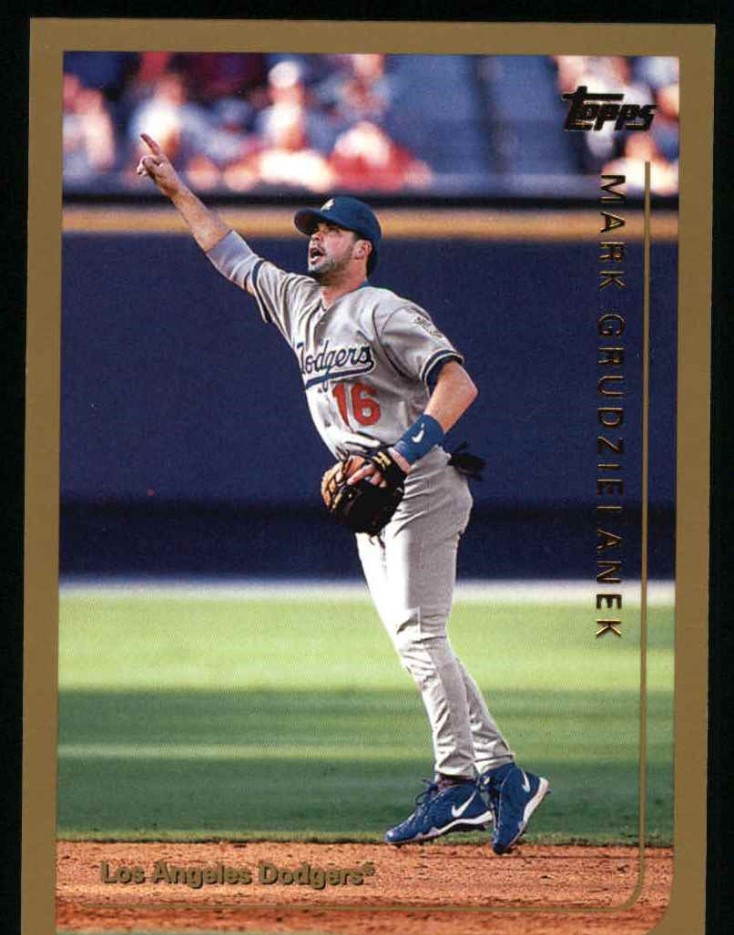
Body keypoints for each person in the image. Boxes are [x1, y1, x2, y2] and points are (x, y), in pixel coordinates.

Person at [136, 132, 550, 854]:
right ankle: (505, 775)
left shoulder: (386, 310)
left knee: (420, 635)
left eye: (328, 230)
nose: (314, 237)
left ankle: (456, 783)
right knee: (417, 643)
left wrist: (400, 455)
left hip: (419, 482)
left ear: (362, 247)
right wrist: (175, 189)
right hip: (370, 490)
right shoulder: (298, 302)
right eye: (312, 229)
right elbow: (228, 252)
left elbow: (458, 384)